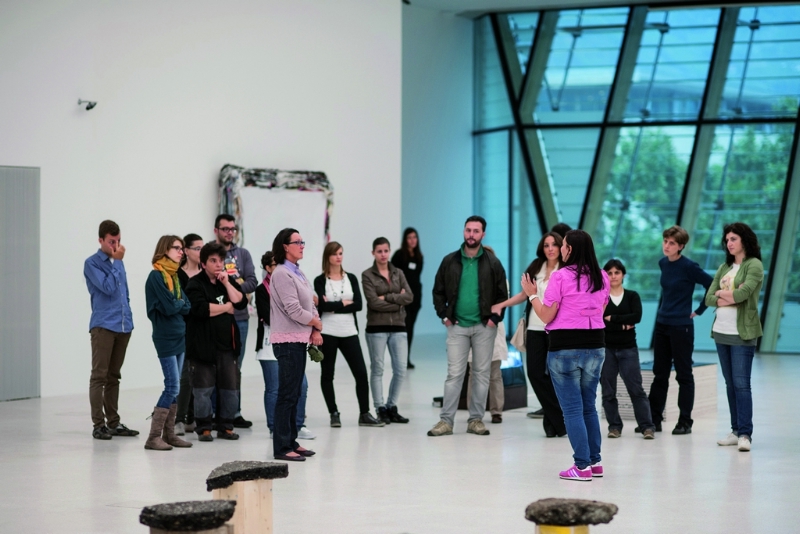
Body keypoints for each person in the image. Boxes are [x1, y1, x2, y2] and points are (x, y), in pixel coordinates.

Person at [524, 229, 609, 481]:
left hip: (565, 349)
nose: (560, 249)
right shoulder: (602, 276)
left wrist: (532, 294)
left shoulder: (560, 276)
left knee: (572, 409)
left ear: (569, 249)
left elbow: (546, 315)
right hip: (596, 347)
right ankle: (594, 462)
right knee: (589, 406)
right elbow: (602, 308)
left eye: (563, 245)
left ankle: (581, 467)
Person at [428, 216, 507, 437]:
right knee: (454, 374)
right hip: (457, 327)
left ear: (483, 234)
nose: (471, 235)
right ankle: (446, 421)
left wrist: (493, 320)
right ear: (464, 231)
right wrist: (444, 316)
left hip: (484, 327)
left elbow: (502, 295)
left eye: (476, 231)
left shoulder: (493, 263)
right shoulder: (450, 261)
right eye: (468, 230)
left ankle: (475, 420)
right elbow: (438, 291)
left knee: (481, 374)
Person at [492, 231, 565, 436]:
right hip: (534, 329)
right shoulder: (536, 267)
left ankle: (553, 424)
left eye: (554, 245)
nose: (550, 249)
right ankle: (560, 419)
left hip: (556, 329)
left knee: (556, 376)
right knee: (534, 373)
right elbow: (524, 295)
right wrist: (502, 304)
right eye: (546, 245)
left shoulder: (566, 269)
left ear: (560, 247)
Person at [705, 222, 764, 453]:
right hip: (721, 332)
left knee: (741, 384)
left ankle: (745, 434)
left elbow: (743, 295)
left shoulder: (754, 265)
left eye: (733, 239)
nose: (729, 243)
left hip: (743, 333)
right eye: (727, 240)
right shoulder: (724, 267)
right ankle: (735, 429)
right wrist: (726, 295)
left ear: (744, 240)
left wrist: (722, 294)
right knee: (730, 384)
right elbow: (708, 298)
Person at [649, 225, 713, 435]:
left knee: (684, 375)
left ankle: (685, 421)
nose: (666, 246)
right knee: (660, 374)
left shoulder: (689, 266)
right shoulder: (663, 263)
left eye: (672, 243)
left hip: (681, 327)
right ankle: (654, 420)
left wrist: (700, 310)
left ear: (681, 246)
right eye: (665, 241)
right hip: (662, 324)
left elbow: (712, 284)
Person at [315, 242, 384, 427]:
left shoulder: (351, 278)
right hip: (328, 332)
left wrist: (333, 305)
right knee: (327, 374)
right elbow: (323, 306)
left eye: (340, 253)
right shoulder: (320, 280)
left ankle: (364, 414)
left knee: (361, 373)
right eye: (335, 254)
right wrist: (344, 303)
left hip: (349, 331)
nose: (339, 257)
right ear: (327, 257)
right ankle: (333, 413)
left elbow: (359, 305)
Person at [184, 242, 248, 442]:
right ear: (203, 263)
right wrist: (226, 307)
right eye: (213, 261)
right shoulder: (195, 284)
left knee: (230, 388)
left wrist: (227, 284)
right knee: (203, 390)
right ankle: (204, 427)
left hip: (227, 346)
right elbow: (201, 309)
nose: (218, 264)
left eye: (221, 260)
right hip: (202, 347)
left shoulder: (226, 281)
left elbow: (241, 302)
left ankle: (226, 426)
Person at [84, 220, 139, 440]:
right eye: (111, 241)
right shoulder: (92, 263)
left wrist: (129, 318)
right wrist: (117, 262)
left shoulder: (118, 262)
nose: (116, 245)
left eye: (118, 241)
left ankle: (114, 423)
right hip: (104, 326)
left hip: (123, 326)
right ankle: (99, 425)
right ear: (100, 240)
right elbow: (107, 288)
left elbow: (124, 293)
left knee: (114, 376)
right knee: (99, 376)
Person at [269, 228, 320, 461]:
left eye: (302, 241)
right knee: (287, 395)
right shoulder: (281, 273)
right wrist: (315, 322)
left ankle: (291, 441)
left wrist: (315, 326)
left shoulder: (296, 271)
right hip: (287, 341)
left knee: (295, 393)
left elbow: (311, 303)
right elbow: (294, 310)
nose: (302, 246)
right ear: (285, 246)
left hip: (298, 339)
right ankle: (281, 447)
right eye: (297, 242)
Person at [255, 250, 315, 439]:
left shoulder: (294, 282)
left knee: (301, 385)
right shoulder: (261, 290)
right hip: (269, 343)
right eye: (276, 265)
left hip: (293, 339)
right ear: (268, 268)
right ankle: (275, 427)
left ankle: (298, 425)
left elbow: (306, 306)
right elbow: (270, 316)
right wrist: (298, 317)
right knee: (274, 388)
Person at [143, 235, 193, 451]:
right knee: (172, 385)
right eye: (177, 248)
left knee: (175, 386)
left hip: (179, 335)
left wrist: (177, 303)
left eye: (182, 248)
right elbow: (171, 307)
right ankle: (153, 437)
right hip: (165, 337)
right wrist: (177, 304)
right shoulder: (156, 276)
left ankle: (169, 435)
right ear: (165, 250)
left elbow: (187, 306)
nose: (181, 252)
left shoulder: (174, 275)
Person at [600, 259, 656, 440]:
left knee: (636, 389)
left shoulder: (632, 296)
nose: (613, 276)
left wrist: (612, 318)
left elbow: (636, 317)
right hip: (606, 349)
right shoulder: (600, 297)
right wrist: (623, 325)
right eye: (609, 273)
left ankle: (647, 427)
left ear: (623, 274)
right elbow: (599, 321)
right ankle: (614, 427)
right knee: (608, 392)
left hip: (628, 349)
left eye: (617, 272)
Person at [362, 237, 413, 425]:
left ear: (389, 251)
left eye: (386, 251)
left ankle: (391, 406)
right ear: (373, 253)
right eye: (379, 251)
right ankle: (380, 408)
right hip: (377, 328)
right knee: (378, 368)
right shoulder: (367, 275)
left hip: (399, 327)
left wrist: (387, 297)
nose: (383, 255)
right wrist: (398, 301)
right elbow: (373, 302)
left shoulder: (398, 273)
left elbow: (409, 297)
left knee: (401, 369)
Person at [214, 214, 258, 429]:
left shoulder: (243, 254)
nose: (229, 232)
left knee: (235, 367)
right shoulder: (211, 253)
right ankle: (214, 413)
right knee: (215, 366)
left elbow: (252, 282)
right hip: (216, 318)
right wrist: (235, 286)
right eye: (225, 229)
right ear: (216, 231)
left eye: (232, 229)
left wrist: (231, 287)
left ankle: (234, 412)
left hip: (240, 319)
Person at [175, 233, 203, 435]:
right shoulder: (178, 275)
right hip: (185, 329)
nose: (201, 252)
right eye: (197, 248)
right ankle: (178, 418)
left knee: (200, 375)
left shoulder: (205, 273)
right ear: (186, 251)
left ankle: (192, 418)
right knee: (185, 375)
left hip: (203, 329)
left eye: (203, 248)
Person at [391, 228, 423, 369]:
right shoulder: (399, 255)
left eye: (414, 237)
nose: (412, 240)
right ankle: (399, 359)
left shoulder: (418, 256)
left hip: (415, 298)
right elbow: (392, 275)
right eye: (409, 237)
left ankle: (406, 358)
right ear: (405, 239)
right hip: (402, 298)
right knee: (403, 329)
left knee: (410, 329)